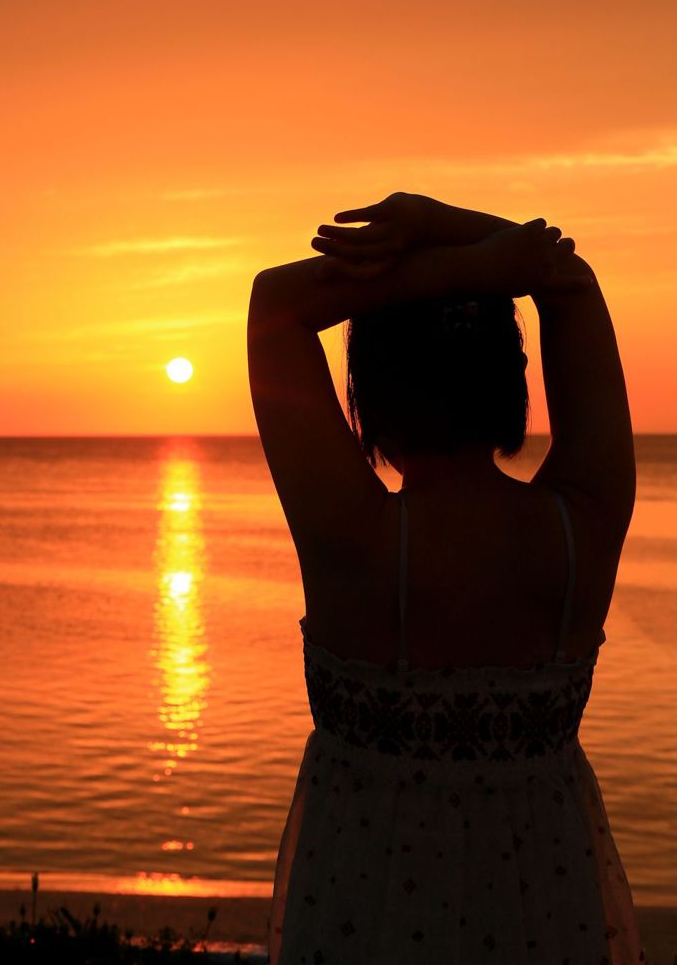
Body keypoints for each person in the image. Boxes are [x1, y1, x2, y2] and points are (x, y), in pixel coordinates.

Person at [246, 193, 645, 964]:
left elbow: (275, 305)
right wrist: (447, 229)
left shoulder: (355, 544)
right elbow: (569, 281)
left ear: (369, 396)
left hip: (364, 913)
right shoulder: (582, 525)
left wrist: (463, 266)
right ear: (509, 381)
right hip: (549, 906)